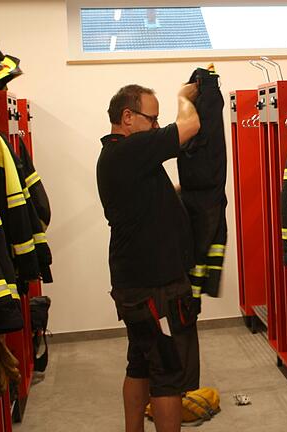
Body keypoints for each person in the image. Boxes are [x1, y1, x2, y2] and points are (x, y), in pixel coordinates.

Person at [96, 83, 201, 432]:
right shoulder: (131, 150)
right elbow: (189, 127)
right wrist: (184, 97)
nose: (156, 126)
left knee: (140, 362)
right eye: (152, 119)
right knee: (168, 372)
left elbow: (154, 196)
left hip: (133, 285)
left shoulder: (117, 157)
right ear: (127, 117)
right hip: (154, 286)